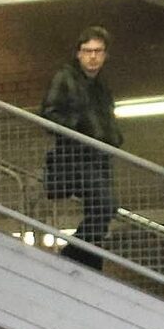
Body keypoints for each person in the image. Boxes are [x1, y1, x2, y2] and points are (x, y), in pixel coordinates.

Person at [39, 26, 123, 272]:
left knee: (100, 213)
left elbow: (106, 118)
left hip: (99, 156)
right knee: (106, 205)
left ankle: (89, 267)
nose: (93, 56)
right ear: (78, 54)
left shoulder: (101, 86)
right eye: (88, 51)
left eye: (98, 51)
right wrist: (78, 128)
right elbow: (48, 114)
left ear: (105, 55)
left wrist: (114, 138)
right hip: (76, 156)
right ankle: (70, 255)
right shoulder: (65, 77)